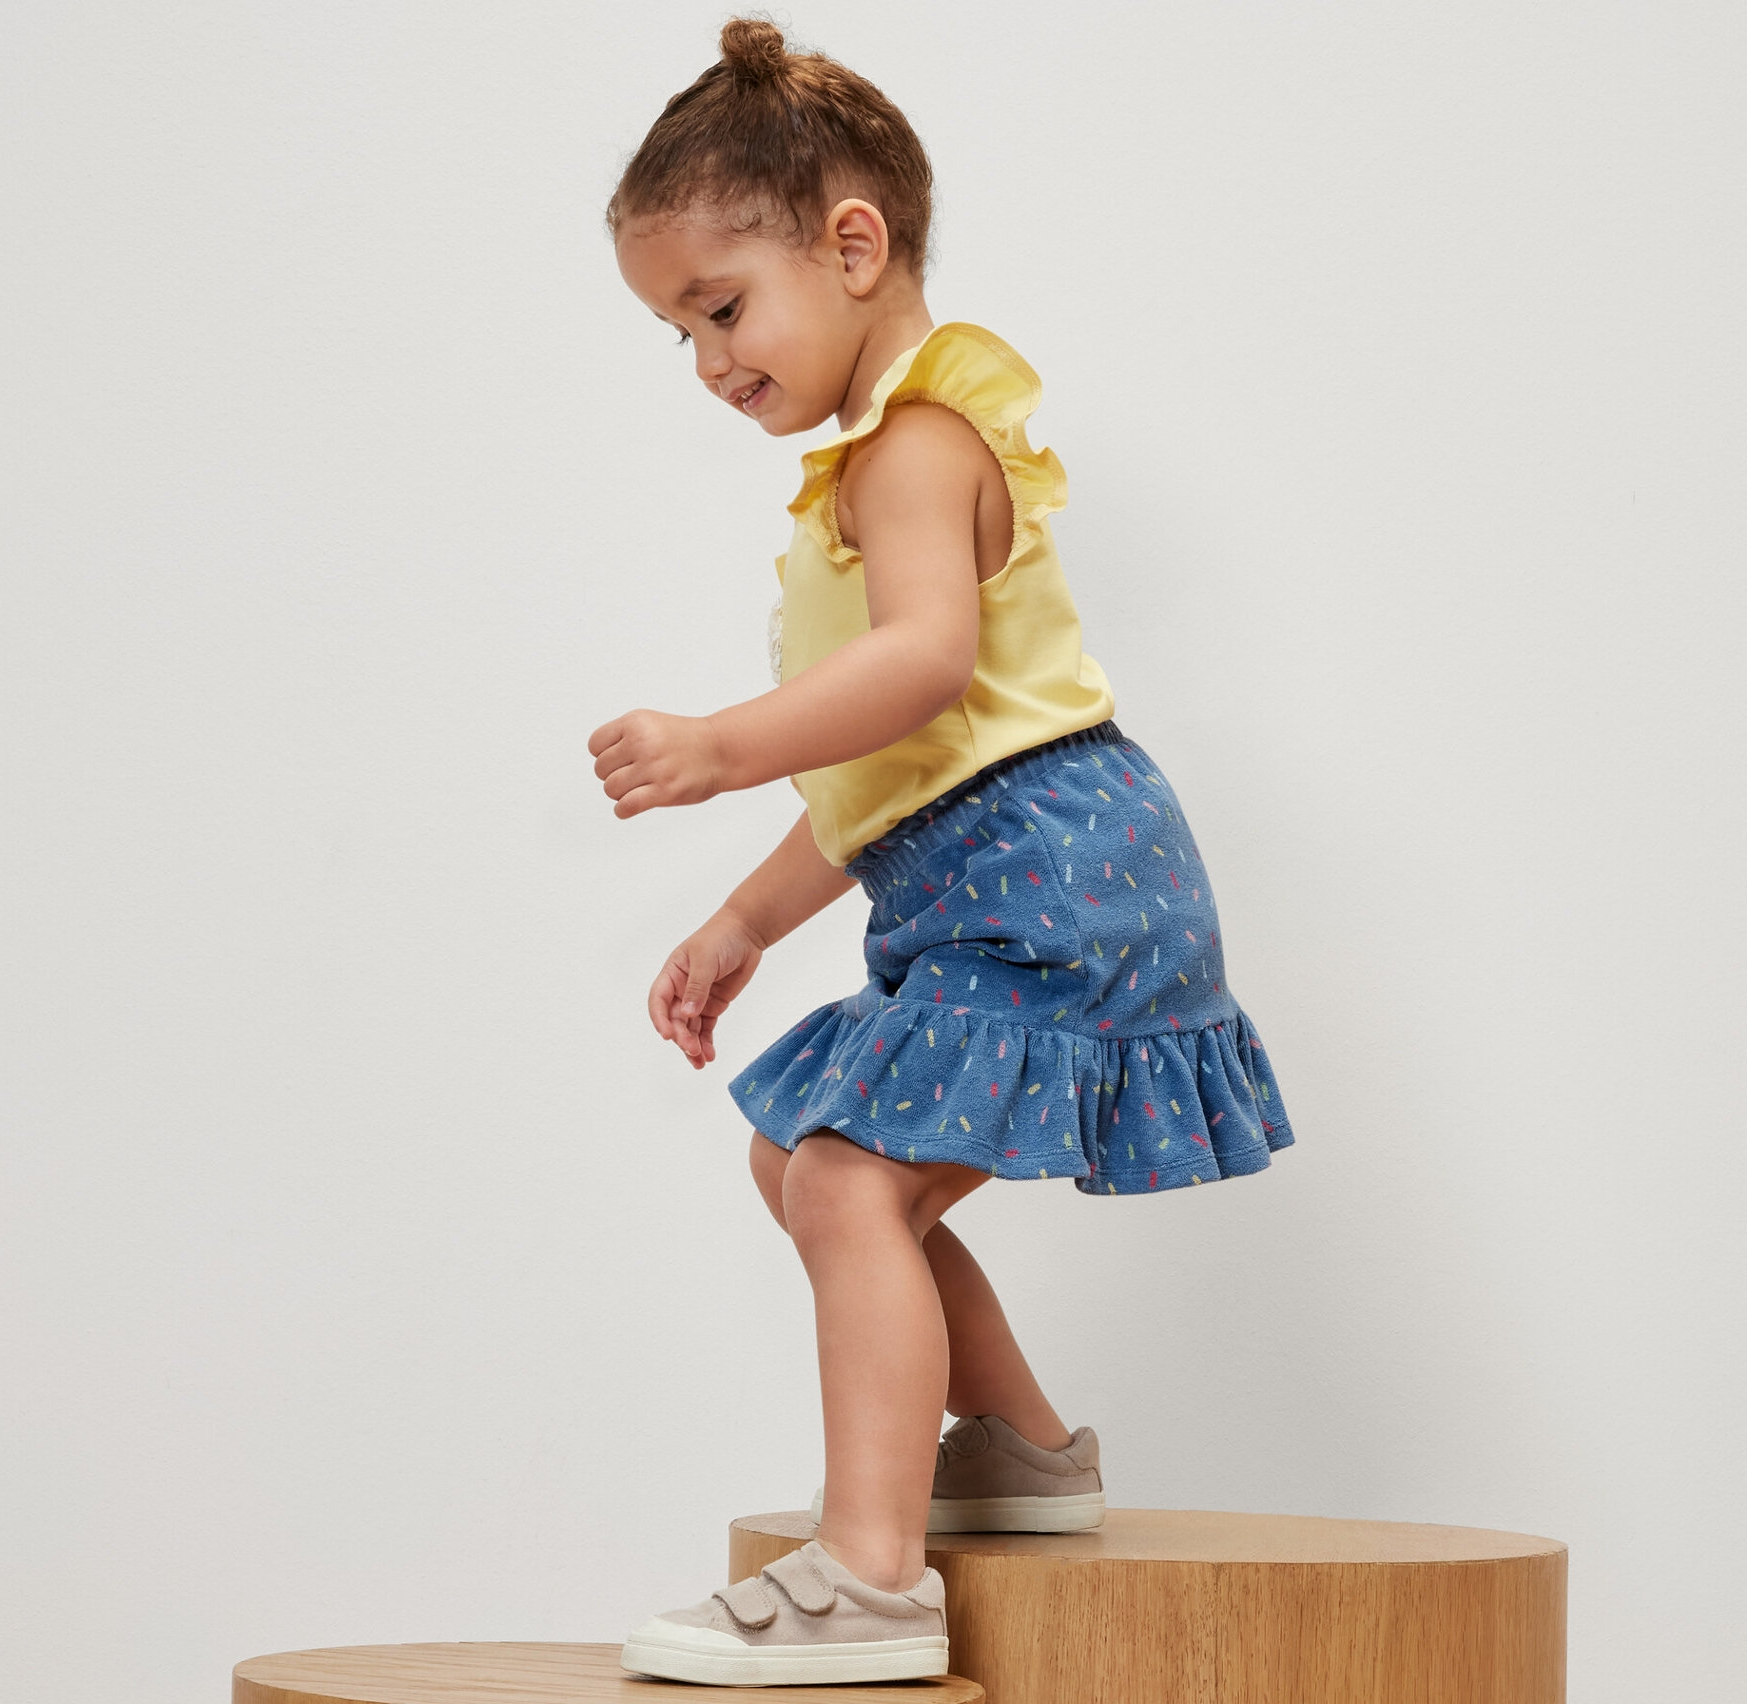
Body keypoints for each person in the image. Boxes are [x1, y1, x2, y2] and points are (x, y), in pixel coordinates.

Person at [588, 17, 1294, 1687]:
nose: (705, 360)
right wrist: (743, 922)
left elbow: (913, 670)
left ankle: (873, 1573)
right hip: (1009, 861)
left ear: (852, 243)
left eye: (721, 308)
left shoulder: (917, 441)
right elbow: (896, 770)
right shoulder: (866, 458)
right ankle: (1025, 1453)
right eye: (678, 330)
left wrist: (717, 744)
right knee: (815, 1170)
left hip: (1062, 871)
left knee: (843, 1173)